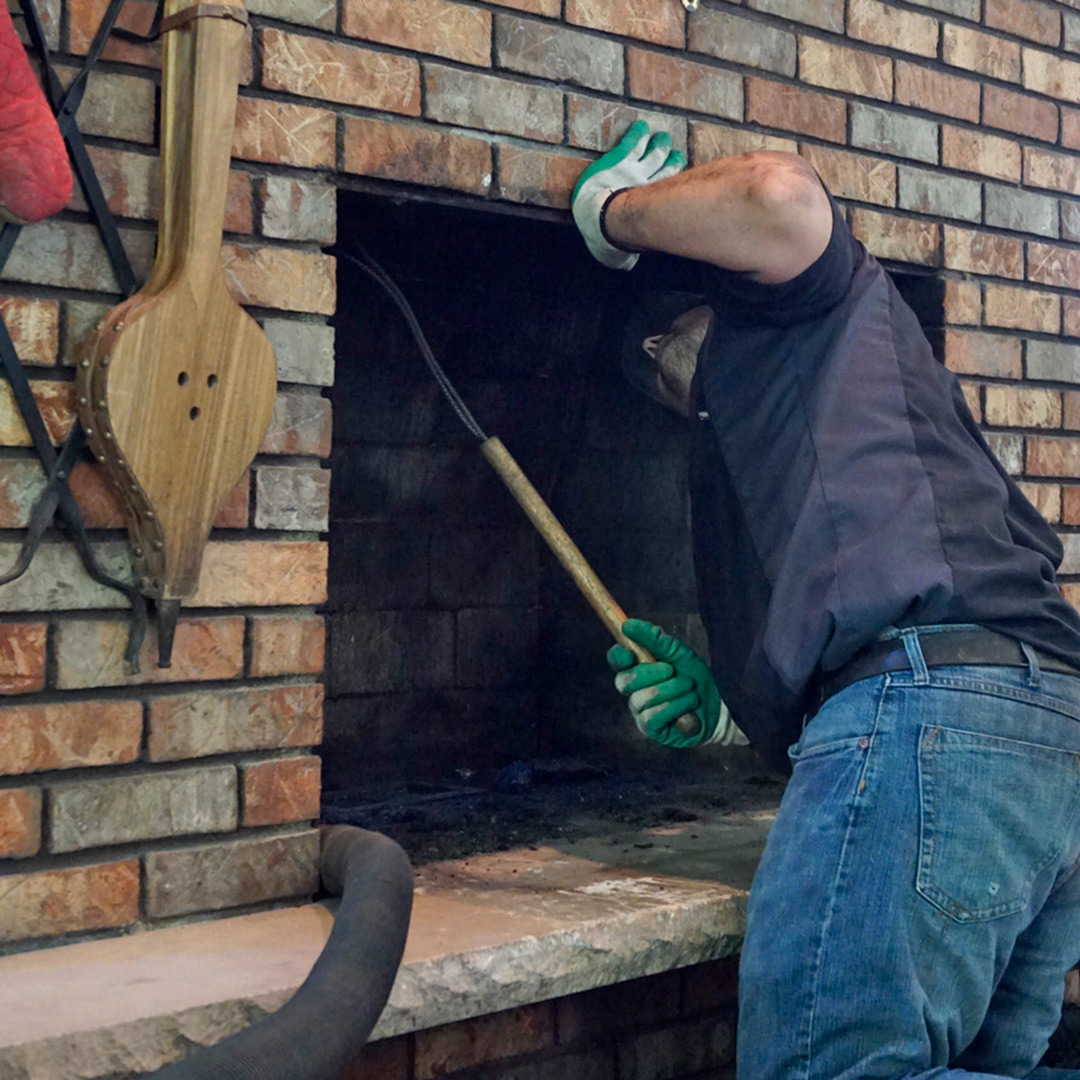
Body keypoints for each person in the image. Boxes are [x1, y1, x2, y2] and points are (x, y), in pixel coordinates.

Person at [571, 121, 1080, 1080]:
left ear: (701, 309)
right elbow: (874, 600)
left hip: (934, 719)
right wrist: (733, 717)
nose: (660, 377)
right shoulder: (851, 409)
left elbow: (779, 198)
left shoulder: (798, 306)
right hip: (1044, 738)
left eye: (658, 352)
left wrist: (616, 215)